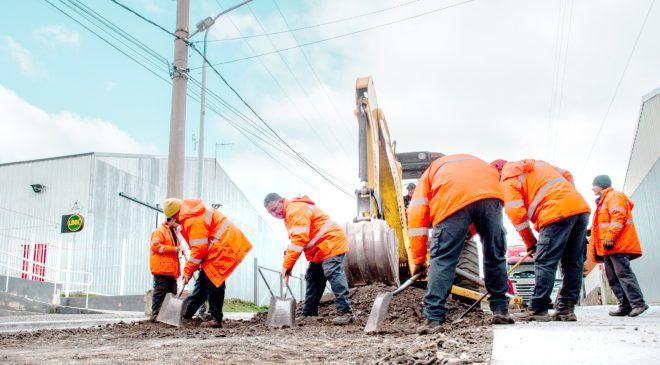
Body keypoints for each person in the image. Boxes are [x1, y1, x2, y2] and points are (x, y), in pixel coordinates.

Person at [407, 154, 513, 335]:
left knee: (442, 260)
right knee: (494, 254)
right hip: (491, 197)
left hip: (452, 201)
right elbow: (476, 204)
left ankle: (434, 318)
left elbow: (417, 221)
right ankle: (501, 310)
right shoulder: (478, 165)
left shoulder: (428, 176)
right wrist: (468, 233)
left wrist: (418, 260)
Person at [493, 159, 590, 321]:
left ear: (498, 172)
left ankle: (538, 308)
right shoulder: (537, 164)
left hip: (554, 213)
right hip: (580, 209)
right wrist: (568, 197)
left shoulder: (508, 179)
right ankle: (566, 309)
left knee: (545, 261)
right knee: (573, 263)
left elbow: (517, 215)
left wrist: (530, 242)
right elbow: (567, 174)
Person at [263, 193, 354, 325]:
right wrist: (289, 259)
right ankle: (309, 312)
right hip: (320, 248)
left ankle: (346, 312)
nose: (274, 214)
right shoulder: (289, 215)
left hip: (330, 242)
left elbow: (299, 239)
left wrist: (287, 264)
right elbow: (299, 239)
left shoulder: (295, 210)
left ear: (282, 201)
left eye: (274, 209)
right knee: (313, 276)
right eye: (270, 213)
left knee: (332, 272)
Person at [163, 198, 253, 328]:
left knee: (214, 281)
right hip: (219, 246)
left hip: (222, 248)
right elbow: (200, 246)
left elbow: (199, 249)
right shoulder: (192, 213)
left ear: (175, 215)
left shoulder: (192, 219)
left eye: (172, 218)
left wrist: (188, 271)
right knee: (202, 284)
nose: (174, 221)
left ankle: (215, 318)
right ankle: (185, 314)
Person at [590, 175, 648, 317]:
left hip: (616, 244)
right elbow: (604, 223)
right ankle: (625, 306)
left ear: (600, 185)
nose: (592, 188)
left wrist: (610, 237)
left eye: (594, 185)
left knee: (623, 273)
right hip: (608, 247)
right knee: (613, 277)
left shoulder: (613, 196)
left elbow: (618, 217)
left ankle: (638, 304)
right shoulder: (604, 200)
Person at [149, 217, 181, 322]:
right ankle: (156, 314)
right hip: (161, 268)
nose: (178, 224)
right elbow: (155, 246)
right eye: (177, 222)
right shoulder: (159, 231)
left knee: (172, 292)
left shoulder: (174, 232)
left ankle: (169, 315)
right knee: (160, 291)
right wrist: (173, 249)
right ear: (171, 220)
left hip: (171, 269)